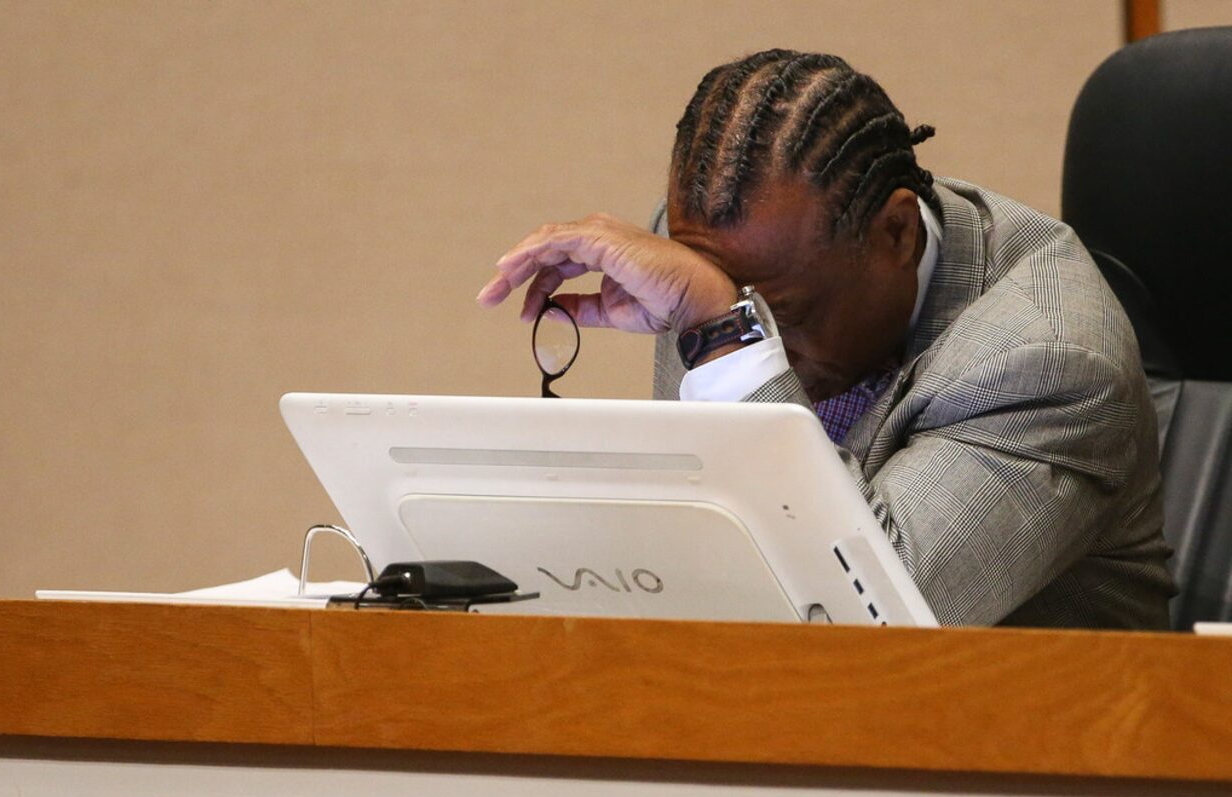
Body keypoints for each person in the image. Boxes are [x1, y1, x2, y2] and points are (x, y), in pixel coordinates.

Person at [477, 49, 1175, 629]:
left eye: (783, 313)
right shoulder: (708, 259)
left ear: (897, 234)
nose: (764, 344)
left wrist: (726, 331)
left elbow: (869, 620)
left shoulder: (1046, 356)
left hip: (1023, 759)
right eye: (742, 318)